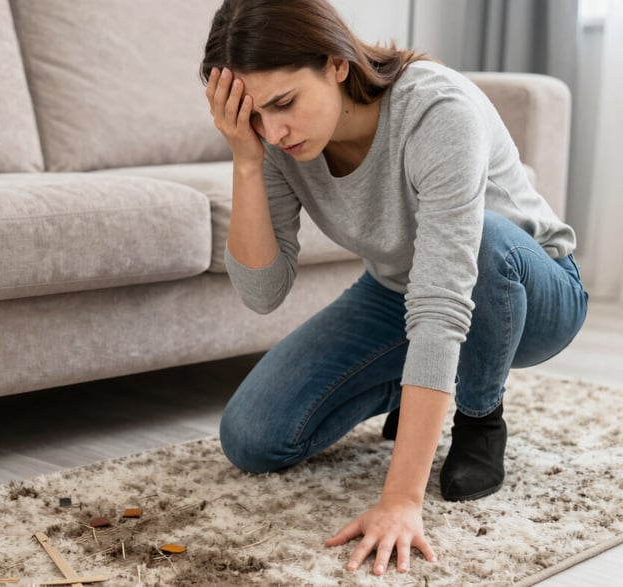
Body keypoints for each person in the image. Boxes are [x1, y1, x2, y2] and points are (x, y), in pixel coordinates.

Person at [200, 0, 588, 576]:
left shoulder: (436, 109)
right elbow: (263, 292)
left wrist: (402, 499)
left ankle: (480, 414)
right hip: (397, 291)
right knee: (253, 437)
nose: (274, 131)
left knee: (483, 242)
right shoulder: (274, 143)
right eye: (253, 115)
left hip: (530, 295)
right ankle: (417, 389)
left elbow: (442, 298)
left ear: (336, 64)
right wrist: (246, 160)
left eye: (284, 103)